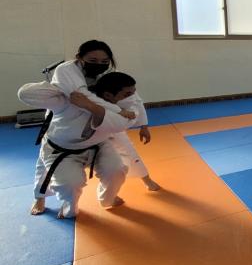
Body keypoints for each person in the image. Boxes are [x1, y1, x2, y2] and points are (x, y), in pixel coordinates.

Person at [30, 40, 158, 216]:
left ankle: (137, 183)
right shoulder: (68, 71)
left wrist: (143, 124)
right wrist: (115, 110)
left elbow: (134, 99)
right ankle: (40, 196)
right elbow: (80, 96)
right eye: (93, 60)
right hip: (65, 123)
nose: (99, 64)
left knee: (124, 154)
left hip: (102, 123)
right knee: (48, 164)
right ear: (79, 57)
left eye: (104, 61)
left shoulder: (110, 75)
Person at [19, 72, 138, 219]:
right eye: (128, 94)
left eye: (133, 93)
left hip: (98, 145)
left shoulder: (126, 110)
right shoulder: (69, 98)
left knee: (117, 170)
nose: (132, 97)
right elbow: (25, 94)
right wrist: (63, 85)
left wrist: (90, 105)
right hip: (60, 147)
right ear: (108, 94)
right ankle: (48, 199)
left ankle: (108, 198)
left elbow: (121, 123)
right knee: (66, 182)